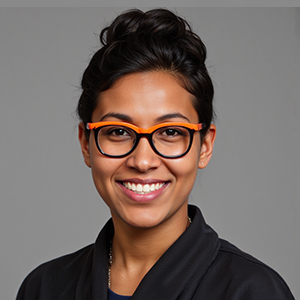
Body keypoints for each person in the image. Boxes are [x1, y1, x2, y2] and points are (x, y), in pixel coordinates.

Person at [16, 8, 294, 300]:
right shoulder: (45, 288)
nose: (143, 161)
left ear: (205, 145)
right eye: (119, 131)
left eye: (171, 132)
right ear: (86, 143)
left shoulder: (252, 291)